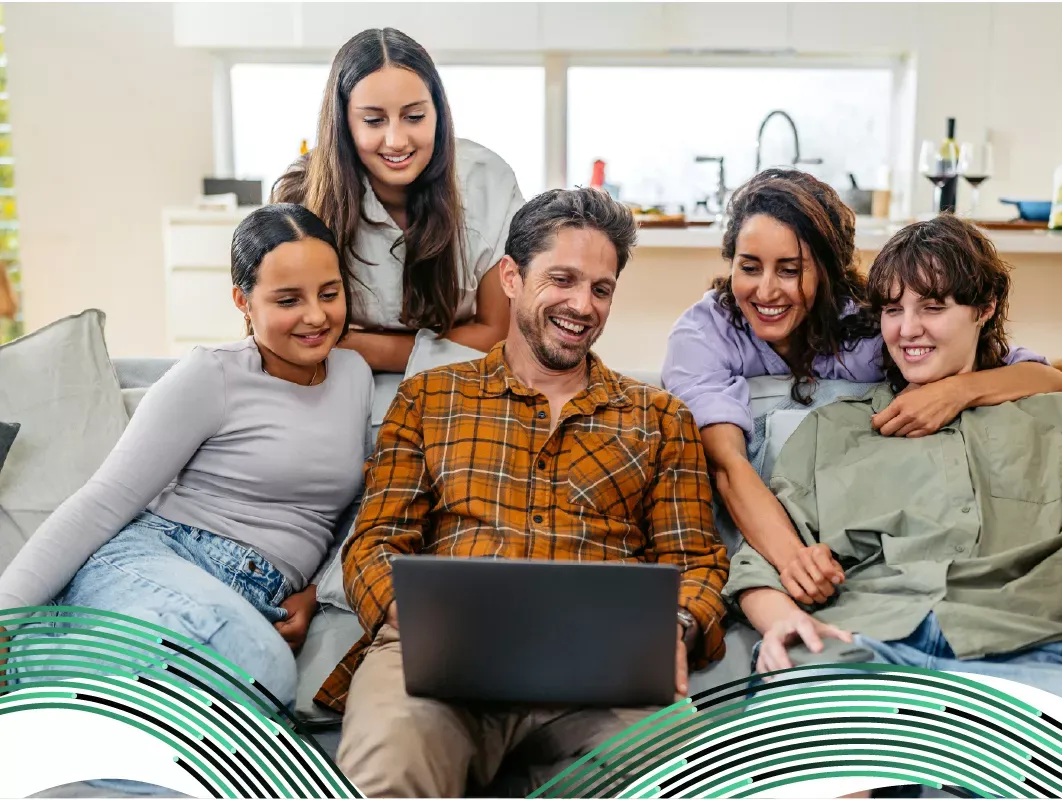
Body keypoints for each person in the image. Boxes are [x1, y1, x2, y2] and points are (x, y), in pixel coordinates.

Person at [315, 187, 730, 797]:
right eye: (562, 279)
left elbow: (696, 562)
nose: (581, 305)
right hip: (440, 661)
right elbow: (374, 541)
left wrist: (673, 626)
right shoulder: (431, 399)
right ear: (511, 276)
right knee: (389, 766)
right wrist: (418, 618)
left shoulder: (659, 417)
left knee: (675, 777)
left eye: (601, 288)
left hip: (603, 673)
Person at [722, 214, 1062, 741]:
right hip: (858, 652)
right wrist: (781, 619)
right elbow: (758, 565)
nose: (907, 330)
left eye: (932, 306)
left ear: (985, 307)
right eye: (892, 310)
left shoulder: (1059, 415)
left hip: (1034, 660)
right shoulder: (832, 430)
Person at [0, 204, 374, 707]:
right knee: (263, 668)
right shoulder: (211, 375)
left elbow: (354, 509)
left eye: (329, 294)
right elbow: (102, 500)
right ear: (243, 301)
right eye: (288, 300)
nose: (316, 316)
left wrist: (311, 595)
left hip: (250, 594)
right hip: (159, 559)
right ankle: (34, 662)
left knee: (219, 710)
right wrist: (6, 613)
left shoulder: (354, 376)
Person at [662, 169, 1062, 611]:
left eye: (790, 270)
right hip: (776, 536)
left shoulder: (874, 327)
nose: (766, 290)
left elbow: (1047, 379)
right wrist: (793, 561)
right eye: (749, 267)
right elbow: (727, 465)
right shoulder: (703, 334)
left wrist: (958, 391)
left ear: (826, 271)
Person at [273, 27, 524, 372]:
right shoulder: (302, 193)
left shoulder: (487, 181)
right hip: (334, 378)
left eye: (414, 117)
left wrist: (362, 345)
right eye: (374, 120)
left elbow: (498, 334)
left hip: (462, 379)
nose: (396, 140)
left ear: (439, 114)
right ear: (344, 123)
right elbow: (290, 333)